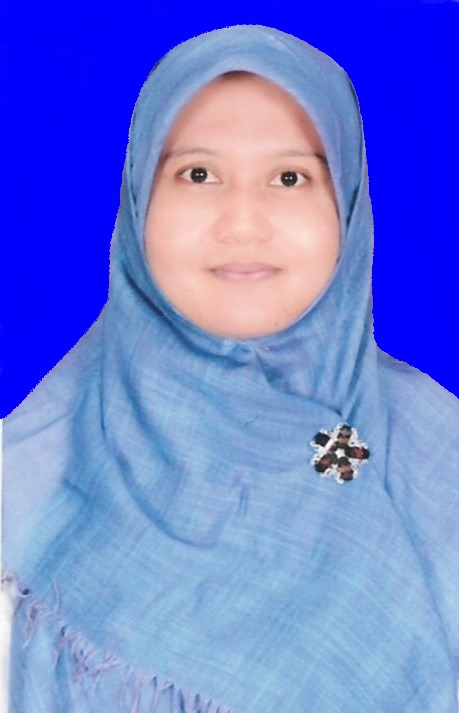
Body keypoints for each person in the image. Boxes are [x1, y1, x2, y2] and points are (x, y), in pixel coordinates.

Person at [2, 24, 459, 712]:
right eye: (197, 174)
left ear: (347, 205)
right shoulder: (26, 490)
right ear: (138, 200)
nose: (242, 224)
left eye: (289, 178)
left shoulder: (440, 460)